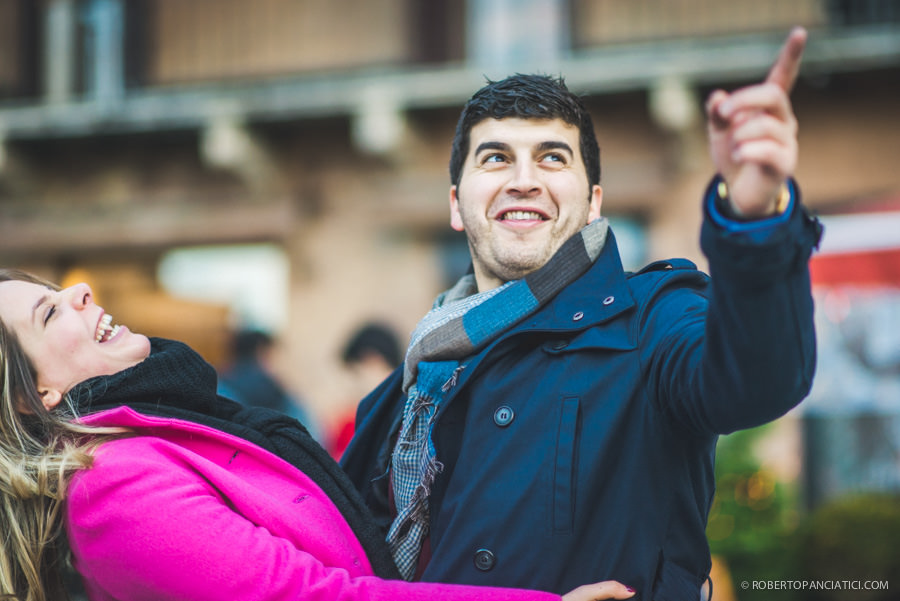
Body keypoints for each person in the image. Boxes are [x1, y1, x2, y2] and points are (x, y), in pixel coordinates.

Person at [341, 27, 823, 598]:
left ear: (593, 200)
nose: (524, 182)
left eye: (552, 158)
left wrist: (755, 223)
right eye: (496, 158)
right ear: (456, 203)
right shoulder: (406, 386)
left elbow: (758, 380)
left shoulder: (652, 319)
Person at [0, 270, 635, 601]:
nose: (80, 291)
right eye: (50, 311)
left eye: (56, 291)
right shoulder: (109, 486)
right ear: (38, 396)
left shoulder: (174, 424)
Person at [328, 322, 404, 459]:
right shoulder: (347, 422)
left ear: (373, 362)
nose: (353, 384)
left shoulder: (355, 423)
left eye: (356, 372)